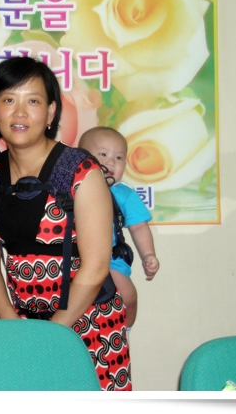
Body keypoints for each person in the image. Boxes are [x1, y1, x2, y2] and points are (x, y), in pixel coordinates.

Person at [0, 56, 132, 391]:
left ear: (50, 113)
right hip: (23, 326)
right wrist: (13, 325)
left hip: (90, 323)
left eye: (33, 101)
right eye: (8, 100)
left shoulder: (80, 170)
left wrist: (52, 334)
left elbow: (96, 267)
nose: (20, 113)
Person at [78, 126, 160, 330]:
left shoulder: (124, 194)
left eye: (119, 157)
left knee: (127, 295)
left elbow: (139, 227)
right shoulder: (72, 188)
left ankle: (124, 330)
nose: (110, 162)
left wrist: (148, 254)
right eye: (103, 154)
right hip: (76, 257)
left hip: (111, 259)